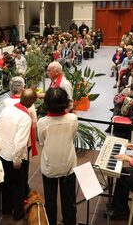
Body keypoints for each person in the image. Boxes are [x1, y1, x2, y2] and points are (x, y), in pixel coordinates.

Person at [0, 89, 38, 220]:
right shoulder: (25, 117)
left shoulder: (7, 109)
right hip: (14, 156)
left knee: (5, 183)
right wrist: (17, 161)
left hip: (2, 152)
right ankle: (18, 213)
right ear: (31, 104)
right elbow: (20, 142)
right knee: (18, 186)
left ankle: (6, 209)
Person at [37, 87, 78, 225]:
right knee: (69, 199)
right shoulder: (72, 118)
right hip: (68, 163)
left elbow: (41, 142)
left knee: (50, 198)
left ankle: (51, 221)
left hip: (50, 164)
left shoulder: (42, 122)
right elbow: (72, 136)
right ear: (65, 102)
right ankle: (69, 221)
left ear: (47, 103)